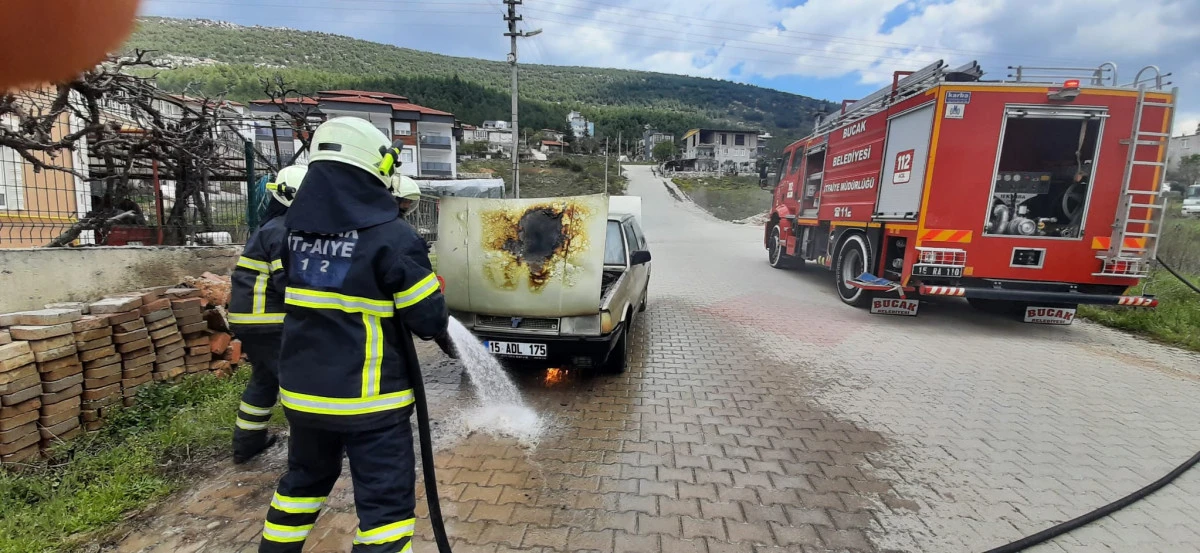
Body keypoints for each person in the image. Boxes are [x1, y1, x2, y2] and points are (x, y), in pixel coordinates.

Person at [260, 117, 453, 553]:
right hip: (371, 404)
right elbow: (427, 321)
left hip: (304, 399)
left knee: (302, 486)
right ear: (377, 168)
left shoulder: (290, 234)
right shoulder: (392, 238)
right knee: (385, 514)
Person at [227, 165, 307, 464]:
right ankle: (307, 450)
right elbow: (287, 282)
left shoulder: (271, 227)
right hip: (269, 321)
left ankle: (247, 442)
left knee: (264, 379)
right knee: (296, 382)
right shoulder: (284, 231)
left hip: (250, 320)